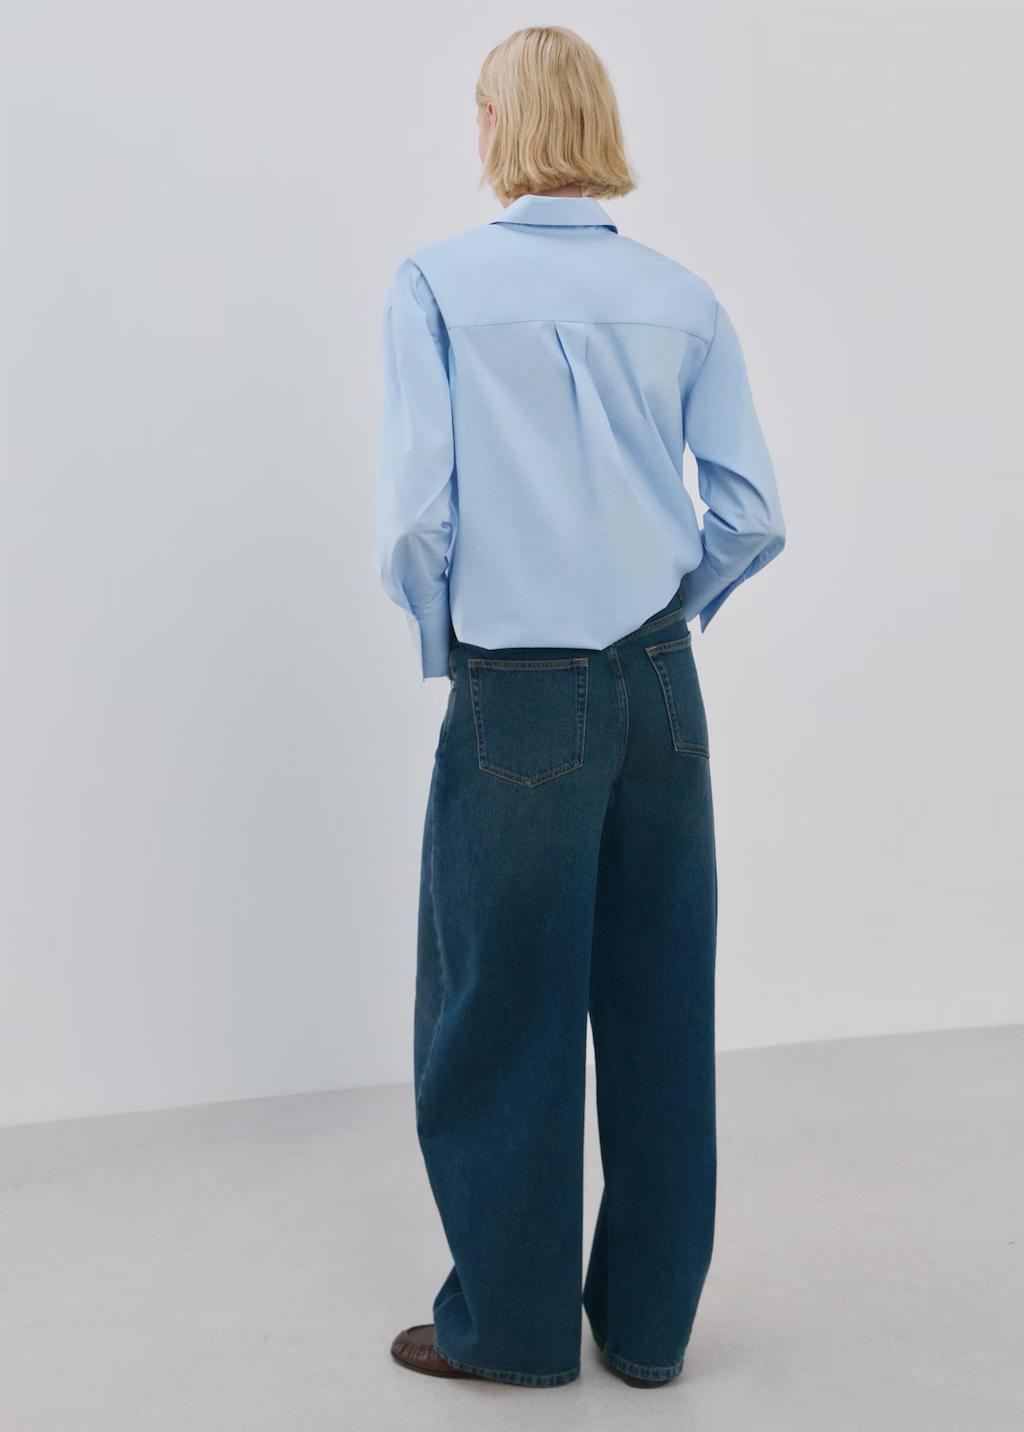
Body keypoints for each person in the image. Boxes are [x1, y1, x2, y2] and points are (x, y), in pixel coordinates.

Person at [373, 24, 785, 1391]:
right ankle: (649, 1332)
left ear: (496, 122)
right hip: (662, 682)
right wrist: (666, 607)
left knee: (500, 1013)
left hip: (520, 692)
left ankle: (516, 1330)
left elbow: (416, 521)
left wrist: (456, 645)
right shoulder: (683, 297)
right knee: (661, 1002)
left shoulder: (436, 284)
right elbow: (750, 512)